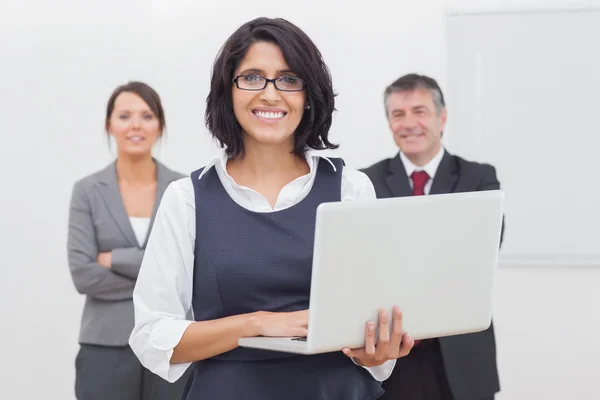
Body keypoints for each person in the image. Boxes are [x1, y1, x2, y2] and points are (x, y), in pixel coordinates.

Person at [129, 17, 414, 400]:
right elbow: (152, 337)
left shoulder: (350, 188)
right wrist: (258, 323)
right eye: (252, 77)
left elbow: (373, 338)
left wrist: (375, 350)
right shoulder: (187, 198)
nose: (270, 94)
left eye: (289, 79)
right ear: (227, 91)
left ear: (308, 94)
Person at [361, 73, 504, 400]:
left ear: (442, 117)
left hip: (462, 355)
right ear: (389, 124)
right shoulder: (366, 181)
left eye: (419, 111)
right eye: (398, 114)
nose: (409, 123)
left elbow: (482, 252)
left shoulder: (479, 178)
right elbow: (366, 262)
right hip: (391, 356)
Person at [67, 81, 189, 400]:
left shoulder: (184, 190)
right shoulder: (87, 191)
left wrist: (114, 259)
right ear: (109, 124)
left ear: (160, 126)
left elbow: (191, 269)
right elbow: (83, 274)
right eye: (125, 116)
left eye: (147, 116)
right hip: (105, 345)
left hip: (171, 344)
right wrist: (157, 275)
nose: (136, 125)